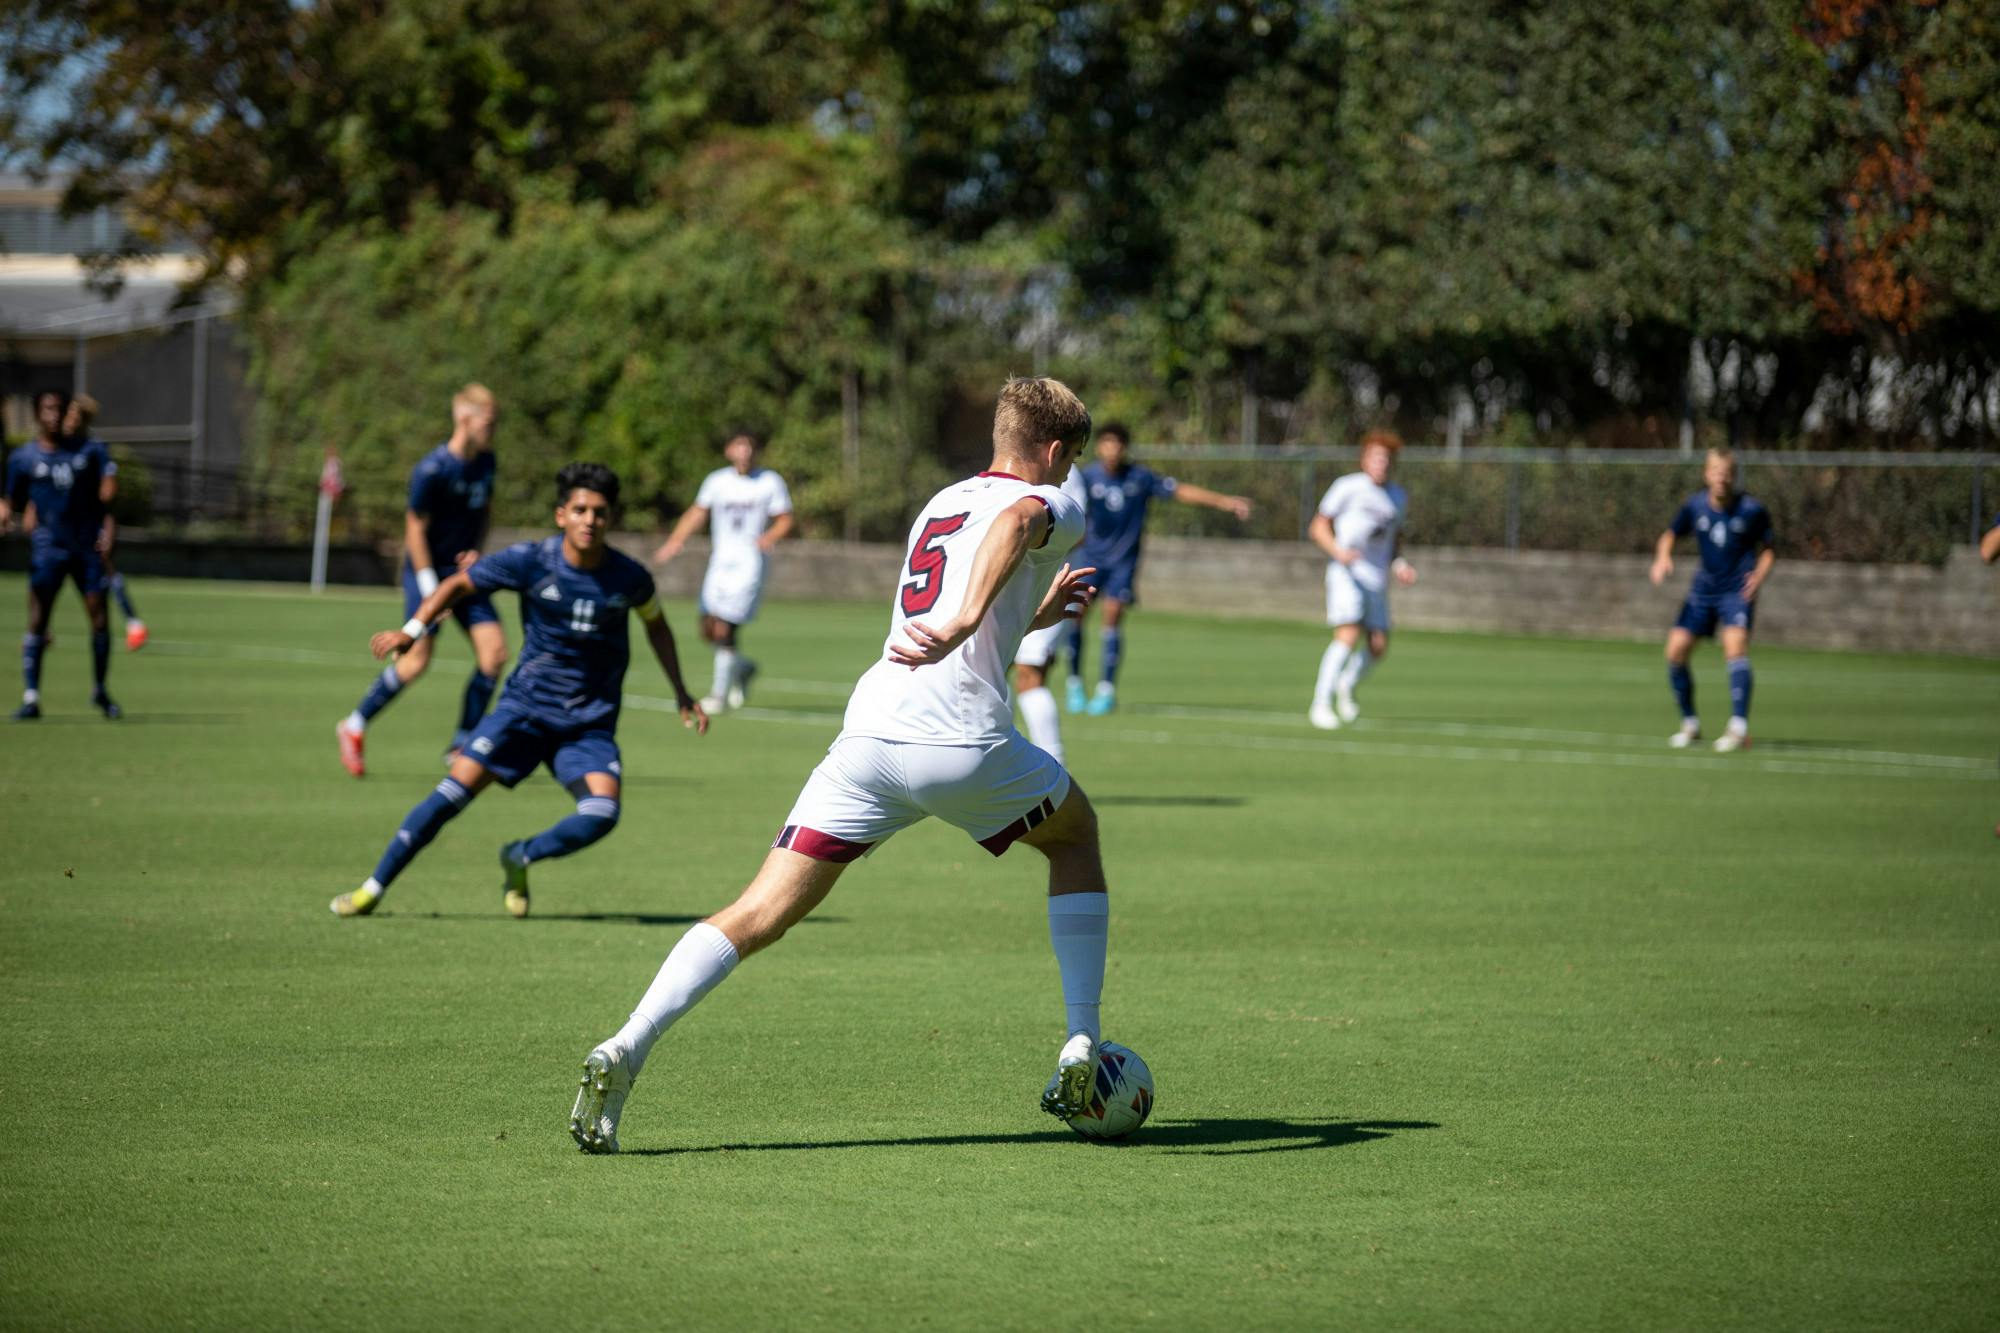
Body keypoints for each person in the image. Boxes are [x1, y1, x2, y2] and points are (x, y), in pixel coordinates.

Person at [569, 377, 1106, 1154]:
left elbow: (979, 573)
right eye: (1071, 457)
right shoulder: (1053, 501)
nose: (1069, 471)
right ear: (1055, 450)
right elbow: (1021, 519)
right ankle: (1082, 1041)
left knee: (759, 912)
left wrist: (1022, 612)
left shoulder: (941, 503)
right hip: (957, 744)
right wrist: (965, 620)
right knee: (1074, 834)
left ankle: (628, 1042)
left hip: (871, 734)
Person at [331, 462, 706, 919]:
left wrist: (682, 693)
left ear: (611, 518)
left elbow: (658, 628)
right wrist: (412, 630)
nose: (590, 520)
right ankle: (372, 888)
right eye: (581, 510)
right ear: (561, 515)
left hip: (587, 725)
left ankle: (520, 855)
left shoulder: (630, 578)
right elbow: (457, 584)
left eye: (600, 512)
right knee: (449, 797)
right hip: (524, 712)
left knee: (602, 813)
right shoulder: (531, 561)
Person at [336, 384, 507, 777]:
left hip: (465, 575)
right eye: (489, 422)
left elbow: (486, 512)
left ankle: (461, 743)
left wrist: (476, 553)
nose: (493, 430)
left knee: (494, 654)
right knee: (415, 663)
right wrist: (431, 586)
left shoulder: (487, 462)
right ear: (465, 418)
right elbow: (414, 529)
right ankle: (354, 725)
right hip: (426, 572)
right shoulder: (432, 469)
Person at [1061, 423, 1251, 715]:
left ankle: (1106, 689)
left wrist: (1224, 501)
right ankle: (1074, 683)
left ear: (1125, 447)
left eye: (1118, 443)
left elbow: (1180, 491)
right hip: (1090, 560)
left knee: (1112, 618)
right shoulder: (1086, 478)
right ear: (1099, 447)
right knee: (1077, 618)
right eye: (1107, 443)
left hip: (1123, 563)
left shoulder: (1140, 477)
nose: (1112, 449)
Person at [653, 430, 794, 714]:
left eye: (749, 446)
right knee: (708, 627)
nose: (744, 451)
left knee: (727, 624)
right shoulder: (716, 481)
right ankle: (742, 668)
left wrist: (769, 537)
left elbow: (785, 518)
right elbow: (697, 513)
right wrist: (675, 541)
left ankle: (718, 695)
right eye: (739, 445)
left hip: (749, 563)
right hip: (720, 562)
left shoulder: (770, 481)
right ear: (729, 450)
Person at [2, 389, 119, 720]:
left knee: (99, 619)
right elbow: (12, 498)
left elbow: (107, 496)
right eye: (47, 409)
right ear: (37, 413)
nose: (54, 415)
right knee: (38, 620)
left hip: (85, 550)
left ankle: (100, 690)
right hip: (47, 550)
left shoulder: (90, 451)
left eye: (59, 409)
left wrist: (108, 527)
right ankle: (31, 697)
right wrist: (6, 510)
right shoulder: (23, 458)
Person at [1650, 448, 1776, 753]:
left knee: (1735, 648)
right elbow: (1669, 535)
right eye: (1716, 471)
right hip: (1703, 590)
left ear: (1733, 476)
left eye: (1727, 471)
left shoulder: (1751, 510)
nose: (1721, 477)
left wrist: (1759, 576)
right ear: (1707, 474)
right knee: (1675, 651)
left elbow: (1770, 549)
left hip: (1736, 592)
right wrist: (1662, 558)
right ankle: (1690, 724)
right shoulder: (1694, 506)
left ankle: (1738, 727)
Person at [1306, 429, 1417, 730]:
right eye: (1375, 456)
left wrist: (1400, 565)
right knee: (1348, 633)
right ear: (1365, 458)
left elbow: (1394, 541)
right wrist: (1338, 551)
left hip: (1376, 579)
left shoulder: (1397, 497)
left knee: (1378, 646)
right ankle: (1320, 704)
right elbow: (1317, 527)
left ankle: (1347, 684)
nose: (1381, 462)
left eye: (1386, 458)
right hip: (1346, 573)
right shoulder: (1347, 487)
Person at [57, 395, 148, 650]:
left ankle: (132, 622)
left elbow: (108, 493)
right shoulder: (55, 447)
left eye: (76, 416)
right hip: (60, 528)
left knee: (104, 571)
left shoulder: (95, 449)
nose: (70, 421)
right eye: (69, 415)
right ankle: (40, 632)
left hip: (90, 527)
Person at [1012, 465, 1089, 763]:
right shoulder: (1011, 470)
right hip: (1014, 588)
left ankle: (1054, 769)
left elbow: (1077, 531)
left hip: (1051, 585)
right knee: (990, 672)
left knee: (1030, 674)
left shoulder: (1065, 472)